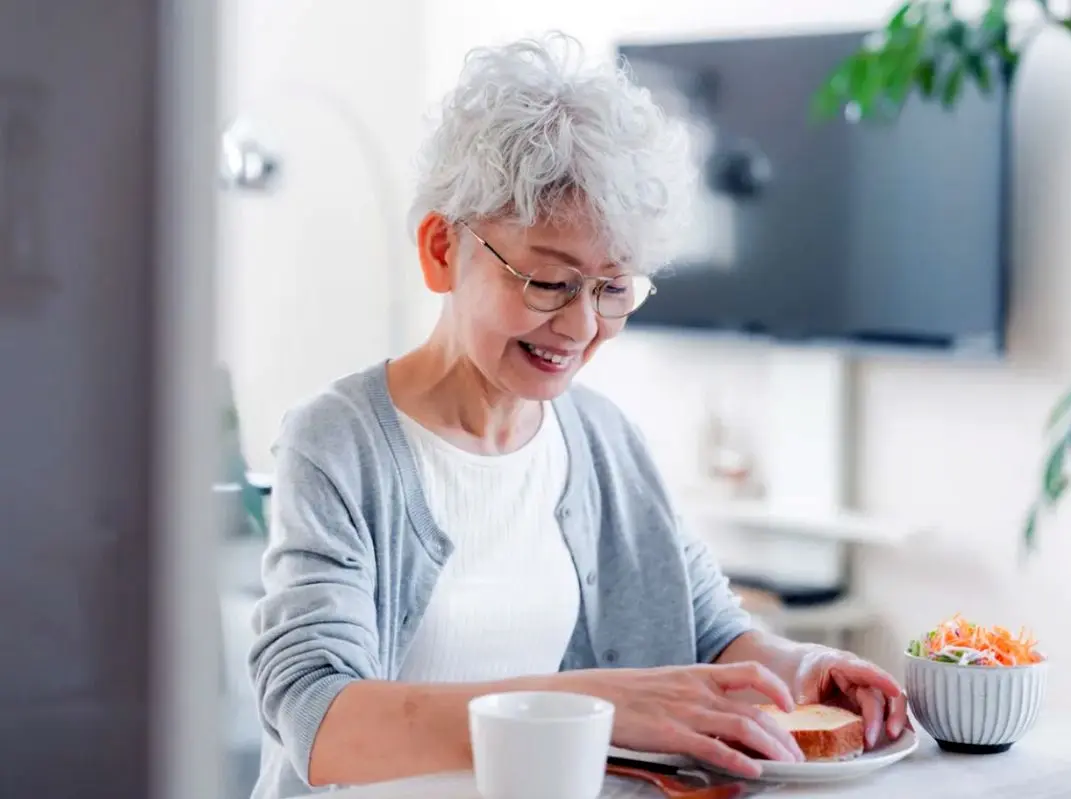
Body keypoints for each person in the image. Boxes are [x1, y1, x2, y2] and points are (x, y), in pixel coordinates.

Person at [248, 32, 908, 799]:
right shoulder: (339, 442)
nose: (581, 326)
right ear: (439, 247)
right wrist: (595, 705)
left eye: (613, 288)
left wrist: (799, 669)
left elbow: (709, 628)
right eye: (549, 282)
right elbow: (320, 721)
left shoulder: (600, 438)